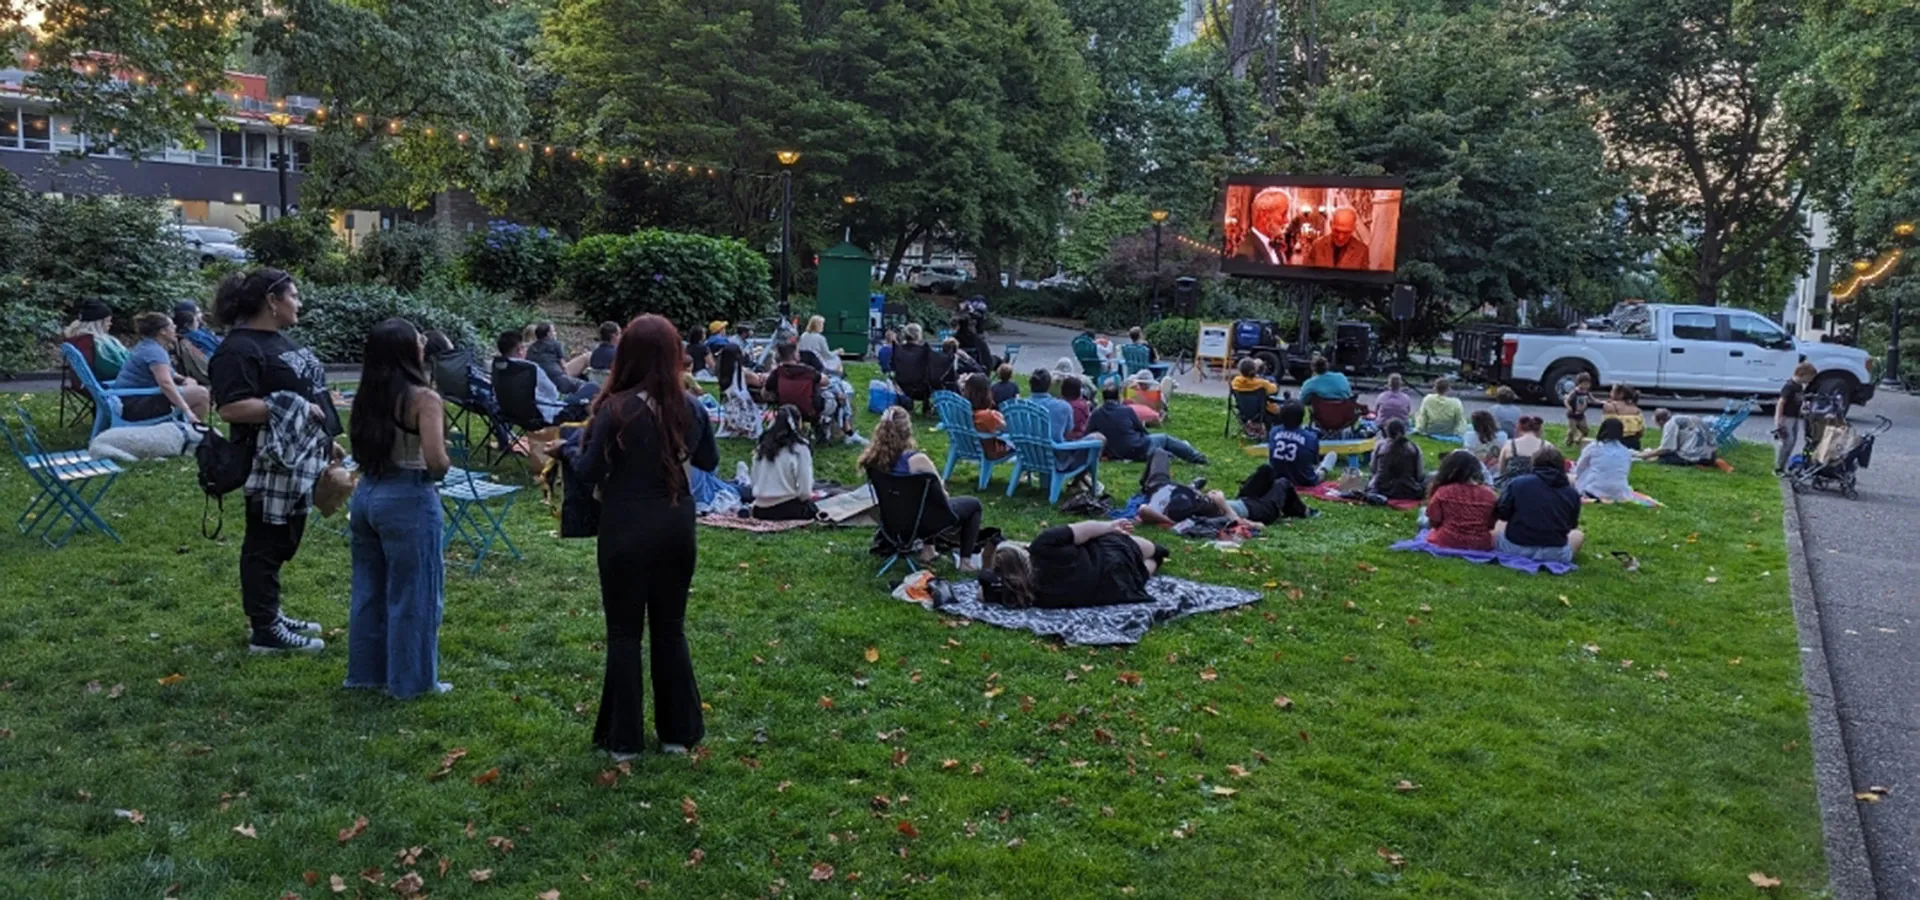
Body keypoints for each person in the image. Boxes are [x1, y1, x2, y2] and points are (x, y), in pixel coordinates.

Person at [574, 315, 720, 762]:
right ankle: (677, 734)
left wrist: (571, 448)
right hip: (676, 525)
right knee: (670, 628)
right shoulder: (691, 407)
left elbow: (587, 473)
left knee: (623, 633)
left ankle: (623, 741)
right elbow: (710, 462)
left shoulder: (613, 409)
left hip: (624, 528)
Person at [208, 268, 341, 654]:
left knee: (286, 536)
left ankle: (272, 613)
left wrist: (325, 439)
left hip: (300, 456)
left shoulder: (277, 339)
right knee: (266, 542)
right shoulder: (238, 349)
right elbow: (231, 409)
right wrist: (293, 407)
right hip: (269, 463)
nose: (298, 303)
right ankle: (264, 629)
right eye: (293, 296)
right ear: (272, 300)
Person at [345, 318, 453, 699]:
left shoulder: (365, 393)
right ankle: (413, 682)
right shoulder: (424, 399)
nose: (424, 343)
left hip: (367, 495)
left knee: (369, 590)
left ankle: (365, 674)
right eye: (419, 339)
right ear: (408, 350)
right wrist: (446, 459)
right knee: (414, 592)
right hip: (409, 498)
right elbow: (436, 461)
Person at [859, 406, 986, 570]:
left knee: (920, 499)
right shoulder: (918, 461)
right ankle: (965, 562)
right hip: (922, 523)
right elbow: (943, 497)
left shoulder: (873, 461)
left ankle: (929, 550)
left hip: (891, 523)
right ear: (907, 431)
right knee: (973, 505)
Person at [980, 519, 1167, 609]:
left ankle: (1155, 560)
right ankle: (1159, 551)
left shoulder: (1022, 596)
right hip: (1109, 554)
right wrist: (1111, 527)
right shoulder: (1043, 544)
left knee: (1151, 563)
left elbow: (981, 592)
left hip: (1117, 587)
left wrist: (988, 571)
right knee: (1155, 550)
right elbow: (1086, 528)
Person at [108, 312, 211, 424]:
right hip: (135, 406)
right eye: (172, 326)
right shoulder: (155, 351)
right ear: (162, 331)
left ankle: (184, 429)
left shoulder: (148, 346)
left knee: (194, 388)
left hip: (129, 399)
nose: (175, 328)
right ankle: (192, 429)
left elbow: (168, 372)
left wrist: (184, 380)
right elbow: (165, 384)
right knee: (201, 394)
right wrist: (187, 411)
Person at [1494, 444, 1584, 564]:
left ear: (1534, 464)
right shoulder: (1572, 493)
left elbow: (1503, 513)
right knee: (1578, 535)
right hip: (1554, 553)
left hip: (1515, 548)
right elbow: (1571, 525)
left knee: (1499, 524)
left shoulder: (1518, 484)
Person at [1089, 384, 1208, 464]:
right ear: (1118, 397)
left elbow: (1088, 434)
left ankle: (1171, 453)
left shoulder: (1095, 414)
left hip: (1118, 453)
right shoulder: (1126, 410)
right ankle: (1197, 457)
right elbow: (1141, 429)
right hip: (1139, 447)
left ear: (1103, 398)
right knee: (1165, 439)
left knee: (1162, 450)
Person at [494, 330, 593, 425]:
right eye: (523, 347)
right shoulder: (529, 368)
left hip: (510, 413)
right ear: (519, 350)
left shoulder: (499, 366)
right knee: (591, 388)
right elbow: (553, 393)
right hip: (545, 414)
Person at [749, 405, 818, 521]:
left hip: (760, 510)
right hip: (786, 508)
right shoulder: (800, 448)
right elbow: (805, 491)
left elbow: (753, 480)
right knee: (812, 508)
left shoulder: (762, 446)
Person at [1423, 449, 1497, 551]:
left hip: (1445, 540)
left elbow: (1434, 522)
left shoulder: (1443, 492)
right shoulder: (1490, 495)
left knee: (1422, 517)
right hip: (1479, 544)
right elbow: (1491, 524)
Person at [1028, 369, 1103, 469]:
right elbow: (1068, 431)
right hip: (1056, 458)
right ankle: (1082, 479)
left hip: (1028, 456)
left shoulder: (1020, 406)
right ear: (1049, 386)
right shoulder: (1063, 407)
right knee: (1099, 438)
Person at [1268, 400, 1338, 488]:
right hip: (1305, 481)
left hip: (1277, 477)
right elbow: (1314, 462)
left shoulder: (1273, 432)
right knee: (1331, 456)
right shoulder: (1311, 437)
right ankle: (1325, 467)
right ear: (1301, 418)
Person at [1572, 418, 1637, 502]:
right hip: (1619, 492)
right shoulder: (1625, 451)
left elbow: (1579, 467)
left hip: (1594, 490)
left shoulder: (1594, 447)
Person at [64, 300, 128, 381]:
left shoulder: (79, 339)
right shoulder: (95, 343)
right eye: (108, 321)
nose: (110, 324)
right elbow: (110, 368)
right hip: (116, 379)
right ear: (98, 323)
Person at [1368, 417, 1426, 501]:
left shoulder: (1380, 446)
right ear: (1405, 430)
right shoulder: (1414, 448)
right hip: (1410, 491)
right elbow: (1420, 476)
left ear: (1387, 431)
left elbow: (1373, 469)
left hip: (1381, 490)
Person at [526, 322, 593, 394]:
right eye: (554, 331)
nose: (556, 333)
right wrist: (568, 379)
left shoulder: (531, 348)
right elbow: (564, 366)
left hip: (541, 378)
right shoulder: (555, 344)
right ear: (548, 334)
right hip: (557, 378)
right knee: (588, 385)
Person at [1774, 362, 1816, 474]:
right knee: (1787, 441)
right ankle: (1778, 467)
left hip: (1795, 418)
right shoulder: (1789, 386)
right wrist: (1778, 420)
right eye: (1809, 377)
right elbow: (1781, 402)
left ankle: (1783, 466)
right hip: (1786, 418)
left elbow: (1798, 401)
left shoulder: (1799, 387)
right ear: (1803, 374)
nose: (1810, 380)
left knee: (1792, 442)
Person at [1232, 188, 1292, 264]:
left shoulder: (1276, 246)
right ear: (1264, 215)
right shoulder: (1246, 254)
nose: (1287, 220)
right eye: (1283, 214)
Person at [1301, 207, 1370, 270]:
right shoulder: (1317, 246)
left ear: (1354, 228)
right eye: (1337, 231)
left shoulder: (1362, 251)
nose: (1341, 237)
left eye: (1346, 232)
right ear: (1331, 224)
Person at [1641, 408, 1716, 465]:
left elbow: (1666, 449)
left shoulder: (1670, 424)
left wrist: (1645, 454)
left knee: (1664, 458)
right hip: (1711, 455)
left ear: (1661, 421)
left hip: (1695, 457)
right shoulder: (1686, 418)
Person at [890, 323, 936, 414]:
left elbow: (893, 367)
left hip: (901, 388)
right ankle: (927, 407)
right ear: (919, 335)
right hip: (922, 389)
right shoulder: (924, 350)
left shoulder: (898, 349)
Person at [1495, 416, 1553, 484]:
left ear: (1519, 428)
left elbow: (1501, 470)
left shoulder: (1509, 444)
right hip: (1538, 485)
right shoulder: (1547, 446)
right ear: (1540, 429)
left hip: (1512, 486)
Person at [964, 373, 1009, 458]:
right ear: (987, 393)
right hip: (991, 450)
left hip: (967, 446)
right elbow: (1008, 428)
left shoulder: (963, 411)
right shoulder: (987, 416)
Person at [1603, 384, 1645, 450]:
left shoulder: (1609, 406)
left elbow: (1607, 428)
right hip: (1633, 443)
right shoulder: (1637, 410)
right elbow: (1641, 432)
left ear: (1621, 394)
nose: (1610, 393)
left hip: (1615, 444)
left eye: (1612, 391)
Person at [1565, 372, 1594, 445]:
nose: (1586, 386)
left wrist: (1603, 402)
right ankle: (1571, 440)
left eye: (1588, 384)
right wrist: (1569, 407)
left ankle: (1576, 439)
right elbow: (1566, 400)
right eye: (1584, 384)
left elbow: (1593, 400)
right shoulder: (1575, 392)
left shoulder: (1587, 392)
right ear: (1579, 383)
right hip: (1572, 414)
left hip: (1581, 414)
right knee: (1573, 430)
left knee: (1585, 430)